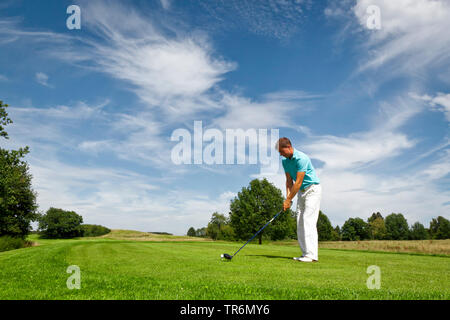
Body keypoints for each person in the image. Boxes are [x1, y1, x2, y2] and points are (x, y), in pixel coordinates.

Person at [276, 137, 322, 262]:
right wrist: (288, 199)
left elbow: (298, 181)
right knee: (300, 222)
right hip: (301, 192)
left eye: (282, 151)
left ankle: (312, 255)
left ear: (289, 147)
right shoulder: (285, 162)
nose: (280, 154)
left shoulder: (302, 158)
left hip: (312, 190)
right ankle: (305, 253)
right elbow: (289, 181)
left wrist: (289, 199)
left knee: (308, 220)